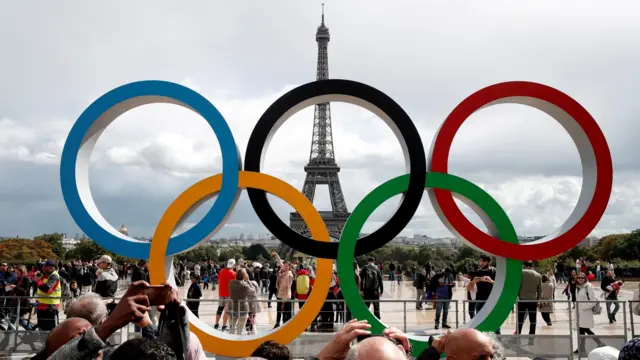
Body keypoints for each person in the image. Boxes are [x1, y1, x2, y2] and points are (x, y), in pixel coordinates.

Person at [467, 255, 500, 333]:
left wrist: (491, 281)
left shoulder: (495, 271)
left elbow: (501, 285)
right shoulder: (477, 273)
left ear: (487, 262)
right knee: (481, 324)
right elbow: (469, 288)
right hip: (480, 301)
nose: (481, 263)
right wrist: (475, 280)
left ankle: (497, 341)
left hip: (493, 300)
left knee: (495, 324)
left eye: (482, 261)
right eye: (481, 261)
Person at [574, 272, 605, 356]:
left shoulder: (588, 287)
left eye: (582, 277)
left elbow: (593, 300)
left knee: (585, 329)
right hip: (579, 312)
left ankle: (598, 343)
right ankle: (583, 347)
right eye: (579, 277)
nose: (580, 279)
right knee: (581, 330)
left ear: (585, 278)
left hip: (585, 312)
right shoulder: (577, 287)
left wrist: (583, 307)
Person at [517, 261, 542, 336]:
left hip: (522, 300)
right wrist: (538, 300)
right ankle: (531, 338)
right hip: (533, 300)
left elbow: (517, 287)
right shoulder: (538, 275)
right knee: (533, 320)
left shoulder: (520, 273)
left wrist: (518, 296)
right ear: (532, 266)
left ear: (524, 265)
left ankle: (518, 336)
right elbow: (540, 290)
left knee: (520, 320)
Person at [36, 260, 62, 330]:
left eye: (46, 267)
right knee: (42, 327)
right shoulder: (45, 275)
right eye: (44, 267)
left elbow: (46, 289)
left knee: (50, 328)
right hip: (42, 305)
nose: (44, 269)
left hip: (50, 305)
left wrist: (38, 281)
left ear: (53, 268)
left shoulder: (54, 275)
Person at [228, 268, 256, 334]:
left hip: (232, 307)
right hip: (243, 308)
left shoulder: (231, 283)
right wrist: (248, 280)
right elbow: (253, 291)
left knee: (231, 329)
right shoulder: (245, 286)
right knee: (240, 330)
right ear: (244, 276)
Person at [214, 258, 236, 331]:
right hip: (228, 294)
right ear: (234, 265)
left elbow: (219, 280)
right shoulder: (233, 273)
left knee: (219, 309)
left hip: (221, 293)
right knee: (226, 310)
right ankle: (224, 325)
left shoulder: (221, 271)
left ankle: (216, 324)